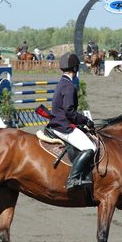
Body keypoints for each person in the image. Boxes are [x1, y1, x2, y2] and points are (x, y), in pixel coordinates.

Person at [48, 52, 96, 190]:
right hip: (63, 126)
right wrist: (86, 121)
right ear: (75, 69)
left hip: (57, 121)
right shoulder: (69, 86)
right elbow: (69, 112)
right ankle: (73, 179)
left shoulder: (62, 83)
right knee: (90, 148)